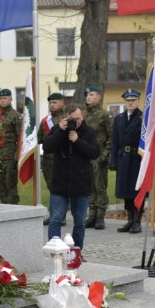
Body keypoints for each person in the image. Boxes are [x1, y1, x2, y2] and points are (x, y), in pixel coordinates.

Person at [44, 103, 101, 249]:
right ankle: (54, 251)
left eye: (79, 118)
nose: (77, 121)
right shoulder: (57, 129)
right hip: (60, 184)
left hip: (81, 184)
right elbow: (47, 147)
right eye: (73, 119)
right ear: (66, 117)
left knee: (80, 222)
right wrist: (61, 132)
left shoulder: (88, 131)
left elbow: (94, 152)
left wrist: (77, 141)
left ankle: (77, 253)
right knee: (56, 219)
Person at [110, 90, 143, 233]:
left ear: (138, 101)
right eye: (128, 101)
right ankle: (129, 219)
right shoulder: (119, 119)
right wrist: (114, 160)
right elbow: (115, 141)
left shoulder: (143, 118)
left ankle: (137, 221)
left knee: (136, 191)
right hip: (123, 157)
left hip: (136, 158)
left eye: (133, 100)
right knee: (125, 190)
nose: (130, 103)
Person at [83, 85, 112, 229]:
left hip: (99, 157)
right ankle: (92, 214)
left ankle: (100, 216)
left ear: (99, 97)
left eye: (92, 95)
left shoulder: (104, 115)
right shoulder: (83, 115)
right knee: (89, 187)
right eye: (87, 95)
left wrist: (105, 155)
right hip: (86, 157)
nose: (88, 97)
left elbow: (111, 137)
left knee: (100, 187)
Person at [37, 92, 66, 225]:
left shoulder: (66, 119)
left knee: (62, 188)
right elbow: (39, 138)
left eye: (55, 102)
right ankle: (54, 214)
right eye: (50, 103)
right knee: (52, 188)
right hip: (48, 161)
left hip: (63, 160)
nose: (52, 105)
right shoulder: (45, 121)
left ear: (62, 102)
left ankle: (62, 215)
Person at [0, 88, 21, 204]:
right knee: (0, 184)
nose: (2, 101)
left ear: (11, 99)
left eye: (5, 98)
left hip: (9, 157)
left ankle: (13, 209)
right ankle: (3, 208)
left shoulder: (16, 116)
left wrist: (16, 156)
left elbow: (20, 138)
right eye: (0, 99)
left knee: (10, 185)